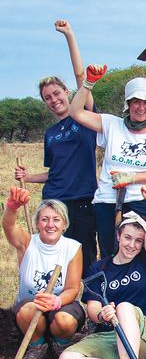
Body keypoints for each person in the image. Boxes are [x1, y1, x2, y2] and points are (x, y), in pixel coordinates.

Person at [68, 65, 146, 309]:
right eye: (135, 102)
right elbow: (75, 111)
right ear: (128, 104)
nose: (140, 107)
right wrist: (88, 84)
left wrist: (130, 177)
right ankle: (110, 314)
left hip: (142, 201)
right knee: (112, 257)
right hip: (108, 202)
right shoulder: (111, 124)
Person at [59, 194, 146, 359]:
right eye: (127, 238)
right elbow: (92, 307)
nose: (132, 245)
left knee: (125, 307)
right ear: (118, 236)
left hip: (143, 336)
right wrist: (102, 315)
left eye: (138, 240)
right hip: (108, 335)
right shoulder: (100, 269)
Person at [17, 19, 97, 274]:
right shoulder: (50, 134)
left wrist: (69, 36)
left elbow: (82, 77)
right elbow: (55, 171)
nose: (53, 100)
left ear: (67, 91)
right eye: (47, 98)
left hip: (83, 200)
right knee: (53, 257)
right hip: (54, 201)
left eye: (57, 93)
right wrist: (27, 177)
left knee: (85, 255)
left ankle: (91, 306)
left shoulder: (84, 116)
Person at [3, 190, 84, 359]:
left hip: (60, 307)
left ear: (64, 224)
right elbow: (9, 228)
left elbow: (72, 288)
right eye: (45, 219)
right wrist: (11, 208)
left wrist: (56, 301)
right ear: (37, 223)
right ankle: (36, 346)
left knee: (65, 321)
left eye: (56, 219)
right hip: (31, 308)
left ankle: (61, 345)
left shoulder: (72, 247)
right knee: (28, 310)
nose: (50, 225)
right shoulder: (27, 243)